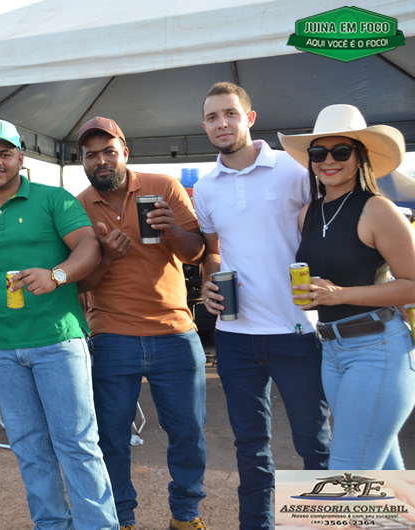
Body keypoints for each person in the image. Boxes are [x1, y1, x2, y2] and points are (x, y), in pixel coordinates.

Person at [0, 118, 118, 529]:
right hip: (2, 350)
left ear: (21, 158)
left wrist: (57, 275)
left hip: (58, 342)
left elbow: (89, 247)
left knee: (77, 445)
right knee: (29, 449)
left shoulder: (53, 199)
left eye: (5, 153)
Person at [193, 82, 331, 529]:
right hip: (235, 339)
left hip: (297, 331)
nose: (221, 123)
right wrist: (209, 282)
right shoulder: (206, 188)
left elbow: (327, 234)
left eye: (230, 113)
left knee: (314, 445)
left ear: (249, 118)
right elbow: (214, 251)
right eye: (212, 117)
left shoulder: (294, 170)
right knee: (250, 448)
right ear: (204, 126)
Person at [75, 117, 208, 530]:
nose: (101, 160)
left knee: (188, 433)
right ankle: (122, 519)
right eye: (91, 155)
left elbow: (196, 253)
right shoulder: (76, 206)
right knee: (111, 438)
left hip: (174, 331)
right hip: (111, 336)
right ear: (83, 161)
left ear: (125, 152)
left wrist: (172, 230)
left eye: (109, 152)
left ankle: (185, 516)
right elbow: (80, 284)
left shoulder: (162, 187)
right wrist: (107, 258)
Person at [278, 104, 415, 470]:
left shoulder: (378, 209)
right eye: (318, 152)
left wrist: (339, 294)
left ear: (360, 156)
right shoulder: (309, 213)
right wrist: (315, 296)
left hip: (378, 350)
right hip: (332, 349)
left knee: (347, 474)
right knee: (385, 474)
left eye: (341, 151)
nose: (328, 160)